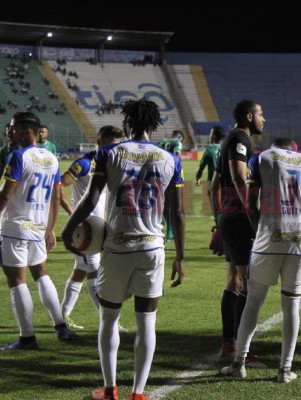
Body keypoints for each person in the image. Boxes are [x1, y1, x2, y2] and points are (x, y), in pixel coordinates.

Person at [61, 98, 185, 400]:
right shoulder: (171, 159)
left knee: (109, 319)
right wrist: (180, 256)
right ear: (154, 127)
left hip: (117, 247)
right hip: (153, 248)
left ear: (127, 124)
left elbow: (91, 200)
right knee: (147, 322)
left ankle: (110, 389)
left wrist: (68, 229)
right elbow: (177, 214)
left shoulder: (109, 153)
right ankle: (139, 393)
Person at [220, 136, 301, 382]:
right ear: (293, 148)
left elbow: (250, 202)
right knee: (291, 305)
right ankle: (285, 370)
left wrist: (260, 230)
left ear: (276, 146)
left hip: (268, 238)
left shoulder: (262, 157)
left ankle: (238, 363)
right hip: (299, 241)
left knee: (253, 301)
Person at [0, 111, 78, 351]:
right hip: (38, 228)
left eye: (14, 128)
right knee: (42, 275)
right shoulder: (52, 158)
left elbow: (5, 196)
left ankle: (27, 338)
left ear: (27, 131)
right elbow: (56, 197)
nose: (10, 132)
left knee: (16, 280)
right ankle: (60, 326)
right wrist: (50, 229)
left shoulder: (17, 157)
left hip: (15, 228)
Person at [211, 99, 265, 365]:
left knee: (233, 280)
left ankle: (228, 345)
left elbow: (213, 186)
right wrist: (253, 217)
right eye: (260, 114)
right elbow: (239, 178)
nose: (263, 119)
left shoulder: (227, 139)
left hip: (227, 216)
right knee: (248, 283)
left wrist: (216, 222)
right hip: (239, 217)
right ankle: (241, 351)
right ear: (248, 116)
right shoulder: (241, 138)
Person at [59, 125, 128, 333]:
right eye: (109, 144)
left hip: (98, 228)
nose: (114, 149)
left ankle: (62, 317)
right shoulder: (85, 163)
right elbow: (60, 184)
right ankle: (110, 323)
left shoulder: (109, 163)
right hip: (86, 231)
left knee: (80, 271)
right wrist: (73, 215)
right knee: (94, 273)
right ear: (99, 143)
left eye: (117, 145)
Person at [157, 129, 183, 242]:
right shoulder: (177, 143)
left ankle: (162, 229)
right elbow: (177, 155)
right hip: (172, 174)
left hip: (159, 173)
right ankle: (169, 233)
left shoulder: (162, 141)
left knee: (162, 203)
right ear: (180, 137)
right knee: (173, 206)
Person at [195, 125, 226, 212]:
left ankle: (218, 224)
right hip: (226, 182)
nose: (210, 135)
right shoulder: (226, 148)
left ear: (214, 135)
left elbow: (201, 168)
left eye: (211, 133)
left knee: (215, 209)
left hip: (213, 181)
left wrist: (198, 178)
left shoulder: (209, 150)